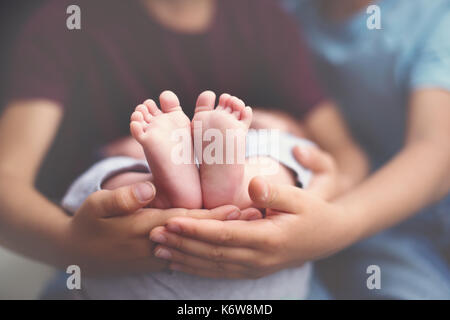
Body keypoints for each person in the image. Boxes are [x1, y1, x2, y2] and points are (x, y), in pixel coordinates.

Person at [0, 0, 367, 299]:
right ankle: (232, 188)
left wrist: (326, 199)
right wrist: (71, 243)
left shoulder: (264, 20)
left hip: (153, 247)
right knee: (275, 165)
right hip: (123, 251)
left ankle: (172, 192)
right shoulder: (63, 25)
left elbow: (347, 157)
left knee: (124, 175)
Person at [150, 0, 450, 299]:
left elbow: (436, 153)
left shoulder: (434, 23)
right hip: (293, 200)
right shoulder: (286, 11)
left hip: (394, 223)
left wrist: (335, 221)